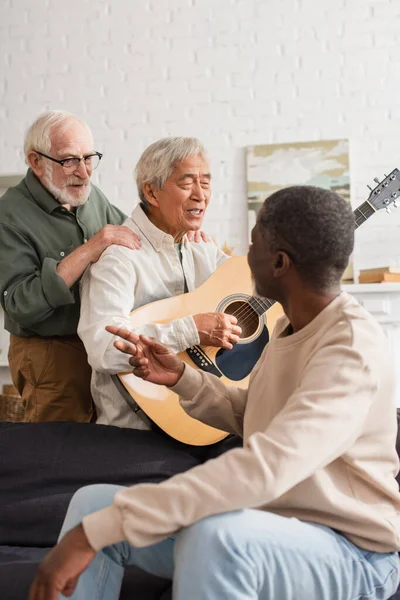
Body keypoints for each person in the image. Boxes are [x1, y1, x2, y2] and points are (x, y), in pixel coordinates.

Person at [29, 186, 400, 600]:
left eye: (254, 243)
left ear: (279, 263)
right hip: (268, 529)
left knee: (215, 536)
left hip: (352, 552)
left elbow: (267, 466)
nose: (245, 253)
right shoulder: (288, 327)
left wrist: (102, 530)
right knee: (91, 505)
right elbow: (255, 416)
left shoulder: (349, 347)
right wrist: (182, 380)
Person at [0, 114, 204, 423]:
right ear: (35, 161)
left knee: (99, 447)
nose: (83, 172)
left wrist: (181, 229)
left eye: (89, 158)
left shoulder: (89, 194)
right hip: (51, 351)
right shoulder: (8, 216)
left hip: (99, 344)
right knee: (63, 451)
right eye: (69, 160)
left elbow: (137, 232)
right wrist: (90, 249)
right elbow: (20, 305)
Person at [77, 137, 241, 429]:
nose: (200, 194)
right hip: (137, 433)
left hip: (201, 428)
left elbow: (252, 287)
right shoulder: (117, 259)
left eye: (206, 182)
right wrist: (192, 329)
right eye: (187, 182)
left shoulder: (201, 247)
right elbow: (105, 349)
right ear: (151, 192)